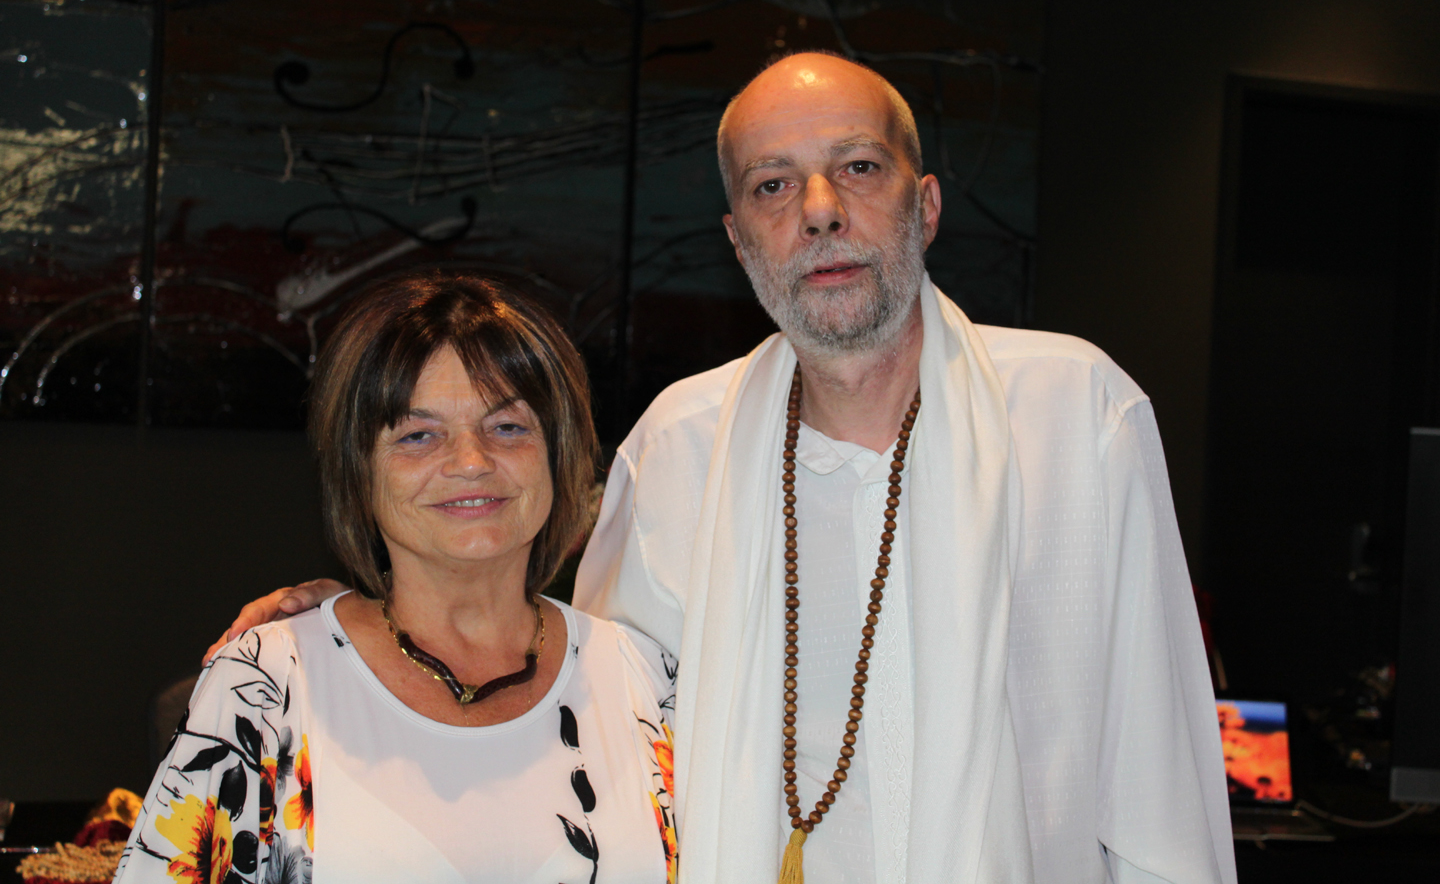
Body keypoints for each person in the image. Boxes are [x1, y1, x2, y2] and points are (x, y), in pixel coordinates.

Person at [216, 52, 1234, 884]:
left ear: (924, 207)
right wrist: (364, 631)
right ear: (741, 241)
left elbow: (1162, 785)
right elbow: (583, 711)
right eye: (774, 185)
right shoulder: (679, 444)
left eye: (859, 168)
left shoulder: (1077, 413)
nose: (820, 211)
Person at [125, 274, 679, 884]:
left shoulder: (646, 685)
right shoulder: (267, 688)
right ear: (358, 471)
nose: (471, 462)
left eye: (507, 427)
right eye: (418, 435)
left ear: (558, 451)